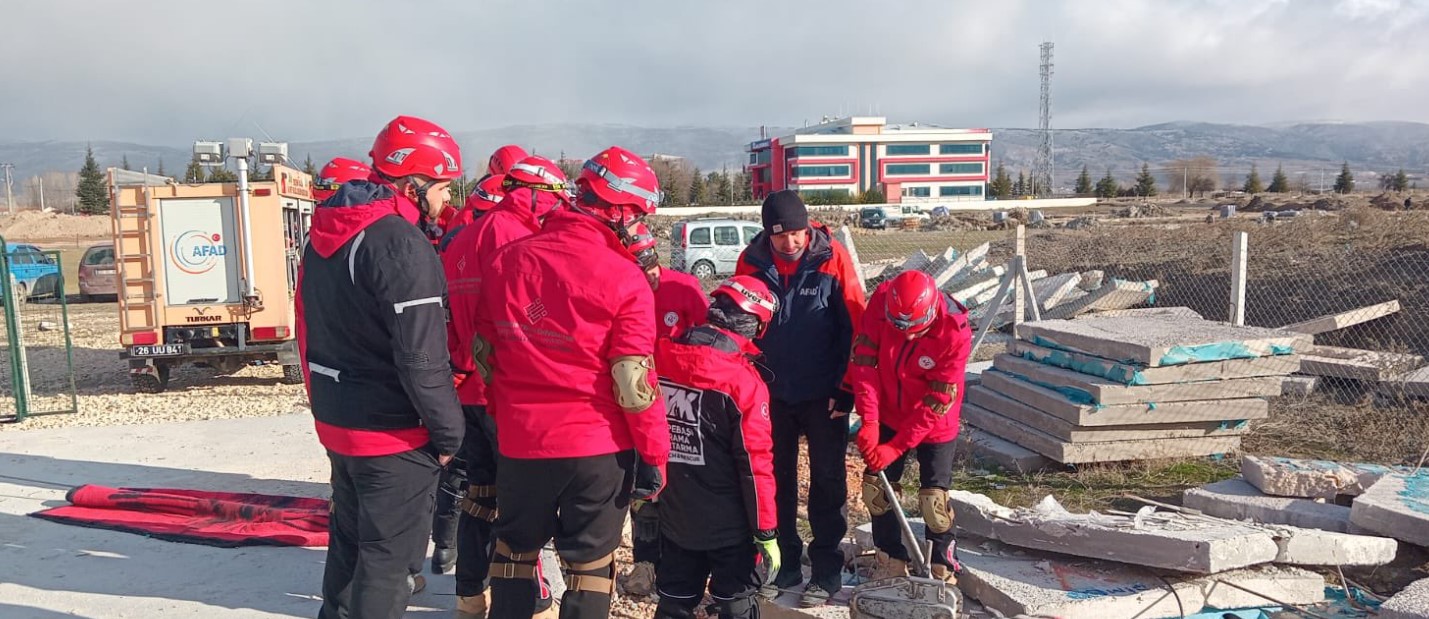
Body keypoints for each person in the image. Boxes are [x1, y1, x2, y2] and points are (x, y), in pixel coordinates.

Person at [474, 146, 670, 619]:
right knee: (589, 567)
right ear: (621, 210)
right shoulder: (625, 279)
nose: (641, 228)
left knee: (514, 556)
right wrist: (655, 453)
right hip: (596, 447)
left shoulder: (507, 261)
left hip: (522, 442)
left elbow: (485, 353)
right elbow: (632, 382)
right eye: (639, 216)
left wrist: (507, 416)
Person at [296, 115, 465, 619]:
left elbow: (307, 325)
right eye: (442, 187)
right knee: (387, 564)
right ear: (415, 182)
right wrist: (450, 434)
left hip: (339, 419)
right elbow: (422, 358)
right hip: (391, 432)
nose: (445, 201)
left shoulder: (327, 230)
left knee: (349, 541)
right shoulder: (400, 243)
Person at [443, 155, 571, 619]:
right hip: (506, 395)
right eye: (556, 197)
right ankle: (531, 599)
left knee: (478, 497)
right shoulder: (519, 238)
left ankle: (468, 594)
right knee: (523, 505)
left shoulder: (462, 238)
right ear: (536, 194)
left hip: (466, 393)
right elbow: (526, 318)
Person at [734, 189, 865, 607]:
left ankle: (826, 570)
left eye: (796, 233)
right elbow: (740, 326)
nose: (790, 243)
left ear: (807, 228)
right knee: (776, 482)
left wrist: (847, 389)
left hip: (825, 394)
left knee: (828, 481)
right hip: (770, 395)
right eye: (780, 236)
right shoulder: (750, 263)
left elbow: (855, 329)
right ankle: (785, 563)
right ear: (766, 236)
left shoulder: (832, 259)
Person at [652, 275, 781, 619]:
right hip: (731, 527)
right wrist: (765, 531)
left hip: (673, 511)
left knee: (674, 602)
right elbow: (755, 466)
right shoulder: (743, 383)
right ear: (755, 325)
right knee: (736, 603)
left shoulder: (660, 355)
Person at [851, 270, 971, 585]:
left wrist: (895, 447)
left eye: (914, 329)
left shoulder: (954, 331)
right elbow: (863, 362)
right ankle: (890, 558)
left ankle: (943, 566)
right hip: (889, 411)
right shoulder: (880, 301)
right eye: (899, 327)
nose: (905, 336)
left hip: (934, 421)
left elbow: (938, 399)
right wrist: (871, 421)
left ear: (931, 314)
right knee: (876, 489)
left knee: (934, 500)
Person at [619, 221, 709, 597]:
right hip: (636, 405)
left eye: (652, 260)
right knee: (644, 488)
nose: (651, 272)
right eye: (641, 267)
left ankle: (682, 557)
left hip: (682, 405)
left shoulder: (683, 287)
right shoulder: (620, 294)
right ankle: (645, 562)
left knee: (683, 484)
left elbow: (709, 344)